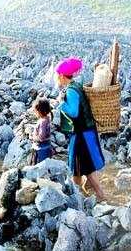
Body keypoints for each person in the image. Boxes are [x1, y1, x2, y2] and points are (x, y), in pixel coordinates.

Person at [55, 57, 107, 202]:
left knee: (84, 165)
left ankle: (100, 194)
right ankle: (78, 194)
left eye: (57, 75)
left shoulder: (71, 91)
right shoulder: (77, 85)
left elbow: (73, 112)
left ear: (61, 75)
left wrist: (61, 103)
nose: (56, 78)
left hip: (81, 135)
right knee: (80, 166)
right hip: (86, 132)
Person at [29, 98, 53, 165]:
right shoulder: (47, 118)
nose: (34, 113)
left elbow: (41, 137)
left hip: (41, 150)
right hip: (46, 147)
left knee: (40, 169)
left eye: (35, 111)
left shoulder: (43, 122)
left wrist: (33, 138)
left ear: (39, 111)